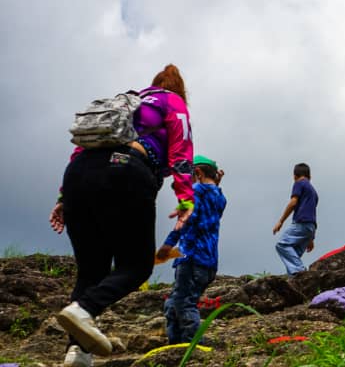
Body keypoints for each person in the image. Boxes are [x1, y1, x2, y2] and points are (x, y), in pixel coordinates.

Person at [49, 64, 194, 367]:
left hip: (78, 174)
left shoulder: (127, 102)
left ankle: (77, 354)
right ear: (180, 89)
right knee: (137, 266)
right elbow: (181, 151)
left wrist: (64, 197)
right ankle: (83, 310)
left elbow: (80, 150)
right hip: (126, 170)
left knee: (91, 271)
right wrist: (185, 200)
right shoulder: (173, 102)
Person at [160, 155, 226, 345]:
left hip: (191, 257)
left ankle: (192, 344)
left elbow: (185, 219)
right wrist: (214, 182)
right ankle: (175, 343)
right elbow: (212, 197)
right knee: (173, 303)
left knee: (184, 303)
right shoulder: (219, 196)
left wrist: (168, 244)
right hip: (208, 261)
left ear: (197, 173)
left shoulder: (195, 191)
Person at [273, 163, 318, 275]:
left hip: (301, 223)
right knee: (294, 255)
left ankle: (301, 272)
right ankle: (294, 280)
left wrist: (281, 221)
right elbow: (312, 213)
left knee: (282, 245)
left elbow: (293, 203)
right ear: (310, 176)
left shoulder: (299, 183)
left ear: (295, 176)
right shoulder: (313, 192)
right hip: (310, 228)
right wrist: (311, 238)